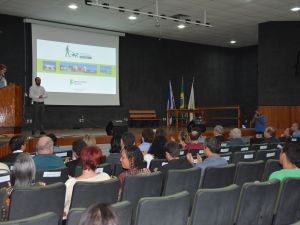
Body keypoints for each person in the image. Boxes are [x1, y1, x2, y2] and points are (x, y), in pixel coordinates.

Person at [64, 146, 110, 216]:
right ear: (97, 162)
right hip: (98, 218)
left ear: (81, 160)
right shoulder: (105, 177)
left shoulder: (71, 183)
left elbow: (62, 206)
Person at [1, 153, 45, 221]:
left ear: (14, 171)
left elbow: (3, 219)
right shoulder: (42, 187)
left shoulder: (5, 193)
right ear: (33, 171)